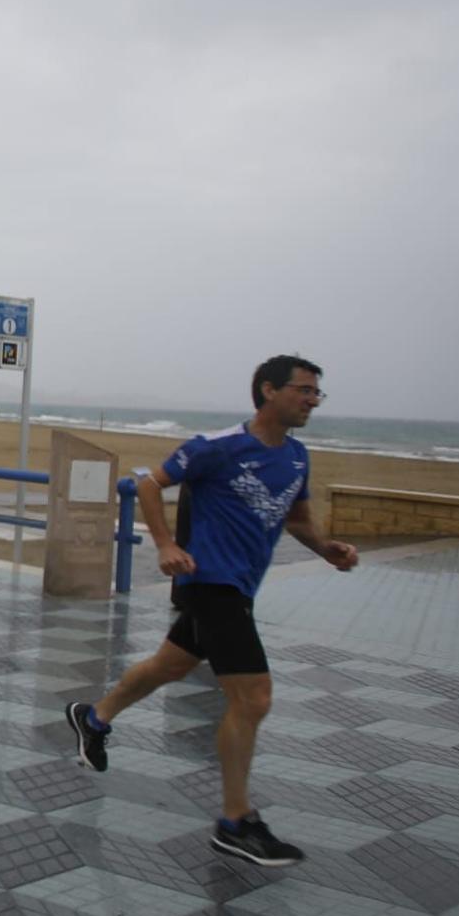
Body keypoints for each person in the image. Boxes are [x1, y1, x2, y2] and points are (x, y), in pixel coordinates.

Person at [65, 354, 358, 867]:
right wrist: (162, 546)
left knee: (169, 666)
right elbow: (148, 484)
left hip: (240, 588)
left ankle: (94, 717)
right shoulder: (217, 448)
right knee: (254, 698)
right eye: (304, 390)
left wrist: (325, 547)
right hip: (211, 583)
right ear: (269, 390)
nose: (312, 399)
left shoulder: (296, 457)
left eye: (317, 393)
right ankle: (235, 822)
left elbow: (297, 519)